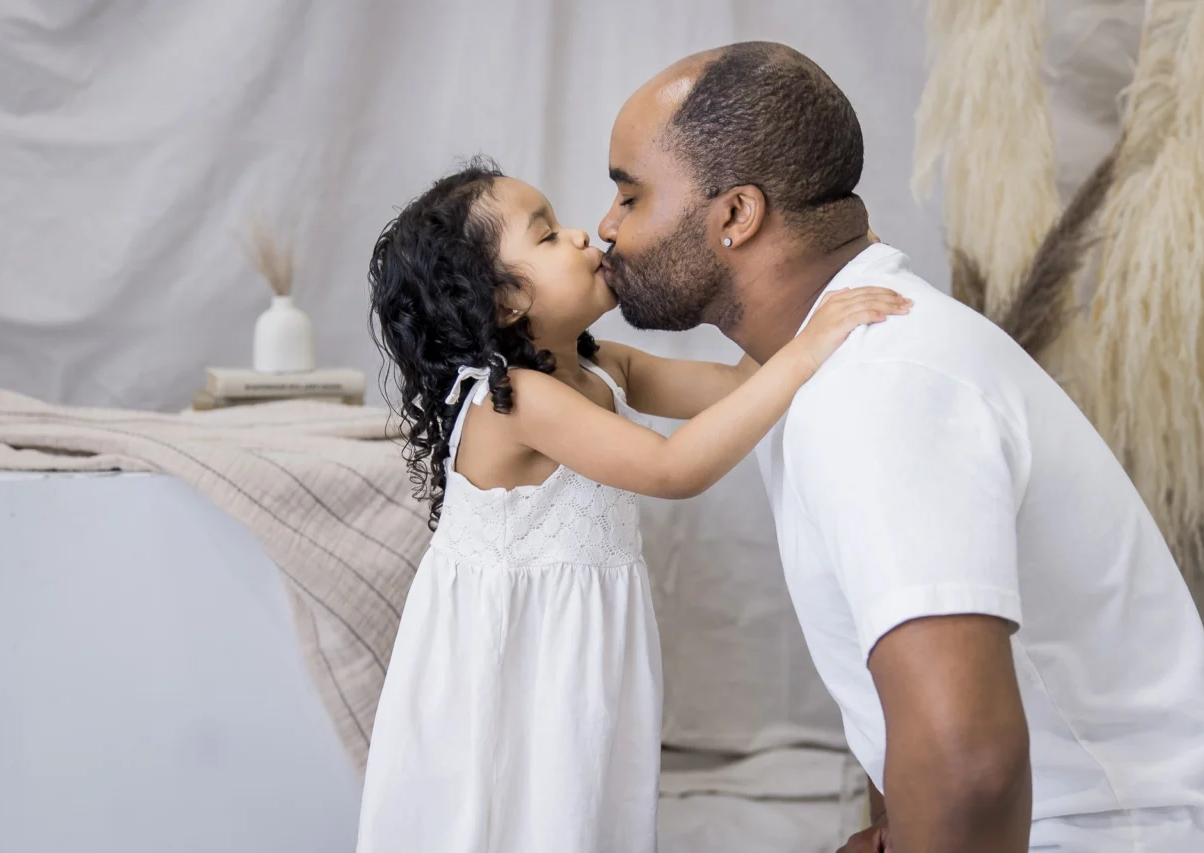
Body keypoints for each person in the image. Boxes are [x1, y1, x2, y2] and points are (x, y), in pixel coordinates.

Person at [598, 41, 1204, 853]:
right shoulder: (837, 354)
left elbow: (968, 763)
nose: (604, 229)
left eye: (629, 196)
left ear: (736, 216)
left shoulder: (881, 387)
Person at [355, 160, 910, 853]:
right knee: (515, 804)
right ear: (504, 303)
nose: (586, 234)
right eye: (550, 235)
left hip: (581, 639)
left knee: (583, 797)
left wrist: (819, 282)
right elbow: (672, 468)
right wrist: (808, 354)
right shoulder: (516, 401)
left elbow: (734, 385)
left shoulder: (598, 364)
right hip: (516, 653)